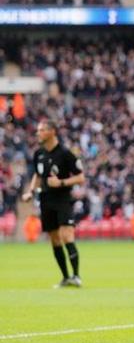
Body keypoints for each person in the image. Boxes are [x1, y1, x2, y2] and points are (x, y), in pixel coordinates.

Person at [22, 119, 86, 288]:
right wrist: (30, 191)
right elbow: (38, 175)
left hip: (63, 199)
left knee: (66, 235)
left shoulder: (65, 153)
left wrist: (62, 183)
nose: (38, 133)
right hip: (45, 199)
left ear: (52, 131)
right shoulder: (39, 153)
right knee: (54, 239)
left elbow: (81, 177)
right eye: (38, 130)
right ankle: (66, 278)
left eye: (41, 130)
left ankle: (76, 276)